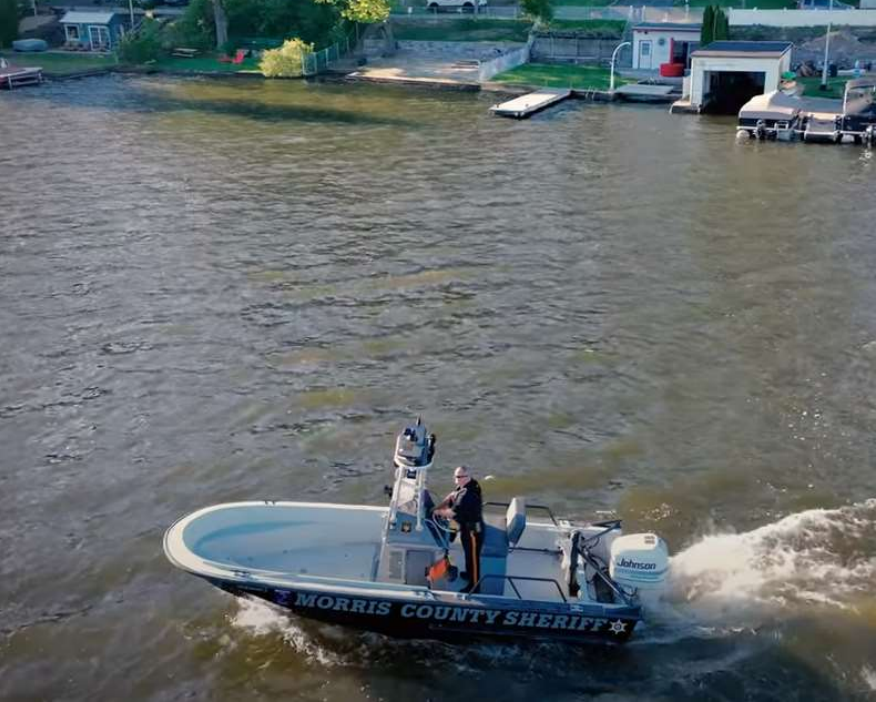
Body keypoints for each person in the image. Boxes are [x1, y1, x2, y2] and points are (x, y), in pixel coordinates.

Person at [434, 465, 483, 593]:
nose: (455, 480)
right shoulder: (468, 485)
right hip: (466, 527)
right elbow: (452, 496)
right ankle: (469, 574)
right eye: (455, 476)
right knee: (468, 555)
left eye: (458, 477)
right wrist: (440, 505)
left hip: (473, 532)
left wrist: (436, 512)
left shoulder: (467, 495)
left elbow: (451, 514)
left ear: (467, 477)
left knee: (473, 558)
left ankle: (475, 586)